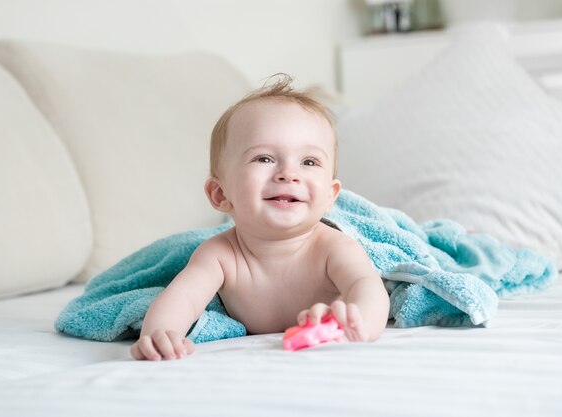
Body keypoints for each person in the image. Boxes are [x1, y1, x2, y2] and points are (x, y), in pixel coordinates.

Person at [131, 75, 389, 361]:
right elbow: (184, 298)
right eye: (264, 158)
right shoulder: (220, 255)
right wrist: (160, 333)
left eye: (309, 162)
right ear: (220, 194)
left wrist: (357, 322)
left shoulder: (334, 247)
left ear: (330, 196)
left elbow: (369, 290)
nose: (288, 174)